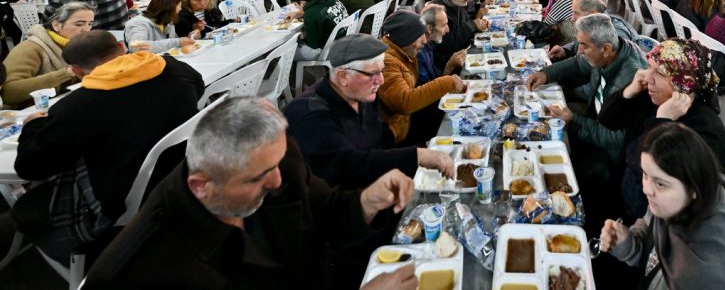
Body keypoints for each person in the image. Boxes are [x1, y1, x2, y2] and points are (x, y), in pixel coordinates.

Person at [82, 97, 416, 290]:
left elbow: (324, 209)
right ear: (202, 186)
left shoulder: (273, 160)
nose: (276, 181)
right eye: (258, 178)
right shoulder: (149, 270)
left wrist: (366, 201)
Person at [14, 31, 203, 260]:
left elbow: (30, 167)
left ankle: (91, 263)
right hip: (181, 173)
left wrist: (32, 126)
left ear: (75, 70)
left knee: (25, 208)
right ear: (122, 47)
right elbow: (199, 89)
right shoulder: (173, 67)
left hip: (122, 201)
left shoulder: (77, 107)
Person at [600, 122, 725, 289]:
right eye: (645, 174)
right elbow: (652, 246)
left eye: (660, 183)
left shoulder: (705, 270)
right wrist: (626, 241)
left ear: (693, 188)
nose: (646, 188)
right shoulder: (686, 196)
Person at [285, 34, 454, 189]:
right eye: (373, 73)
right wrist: (416, 156)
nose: (380, 80)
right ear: (343, 77)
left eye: (381, 71)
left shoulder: (361, 95)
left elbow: (380, 143)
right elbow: (350, 166)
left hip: (374, 186)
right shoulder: (311, 117)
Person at [599, 39, 725, 221]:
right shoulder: (653, 96)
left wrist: (662, 121)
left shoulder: (704, 130)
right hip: (621, 195)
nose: (647, 77)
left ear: (685, 82)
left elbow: (643, 167)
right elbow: (607, 120)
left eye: (660, 73)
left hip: (652, 223)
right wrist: (629, 90)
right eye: (649, 67)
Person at [524, 14, 645, 187]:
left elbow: (618, 138)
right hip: (594, 120)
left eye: (584, 46)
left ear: (605, 48)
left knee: (548, 174)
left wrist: (574, 121)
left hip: (611, 155)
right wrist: (546, 74)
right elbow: (577, 64)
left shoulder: (630, 81)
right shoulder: (609, 52)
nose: (579, 50)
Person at [378, 9, 465, 144]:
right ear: (407, 37)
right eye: (420, 35)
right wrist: (447, 81)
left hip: (410, 122)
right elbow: (405, 101)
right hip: (398, 136)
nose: (425, 41)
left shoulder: (405, 52)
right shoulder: (387, 62)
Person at [2, 1, 94, 107]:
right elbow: (8, 93)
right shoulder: (31, 48)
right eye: (79, 24)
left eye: (90, 24)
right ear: (56, 25)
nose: (86, 30)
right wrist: (66, 73)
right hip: (28, 114)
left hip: (68, 106)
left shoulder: (82, 47)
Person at [548, 0, 640, 61]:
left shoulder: (615, 35)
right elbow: (578, 44)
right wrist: (565, 50)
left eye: (576, 13)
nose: (572, 18)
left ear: (593, 14)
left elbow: (600, 75)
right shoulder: (592, 26)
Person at [428, 0, 487, 72]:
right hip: (446, 65)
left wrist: (478, 17)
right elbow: (446, 44)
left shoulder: (457, 1)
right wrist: (472, 25)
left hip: (463, 52)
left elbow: (464, 21)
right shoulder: (437, 11)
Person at [124, 0, 197, 54]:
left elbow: (172, 45)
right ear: (169, 8)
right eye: (179, 6)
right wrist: (177, 42)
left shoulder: (167, 21)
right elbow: (136, 48)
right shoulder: (138, 23)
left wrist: (188, 39)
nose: (180, 9)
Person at [416, 3, 466, 84]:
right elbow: (429, 92)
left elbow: (437, 76)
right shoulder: (418, 52)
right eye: (444, 25)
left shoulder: (430, 43)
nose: (448, 30)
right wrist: (450, 66)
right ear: (429, 28)